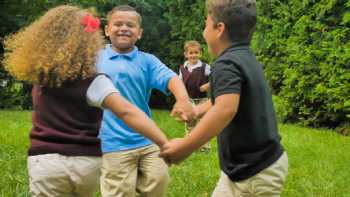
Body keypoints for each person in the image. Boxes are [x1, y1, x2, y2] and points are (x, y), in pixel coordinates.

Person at [2, 5, 169, 197]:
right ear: (90, 42)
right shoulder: (95, 81)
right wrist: (163, 142)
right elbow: (126, 111)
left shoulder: (41, 79)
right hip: (86, 163)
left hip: (45, 162)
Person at [161, 0, 289, 196]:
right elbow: (222, 100)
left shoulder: (225, 63)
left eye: (206, 24)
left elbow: (224, 110)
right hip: (240, 170)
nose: (204, 31)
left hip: (256, 171)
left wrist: (185, 148)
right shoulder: (245, 57)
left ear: (219, 29)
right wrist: (196, 111)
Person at [97, 5, 194, 197]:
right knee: (120, 191)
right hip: (111, 142)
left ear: (139, 33)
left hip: (147, 138)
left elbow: (171, 78)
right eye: (118, 24)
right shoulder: (95, 59)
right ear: (107, 30)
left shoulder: (147, 61)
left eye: (130, 25)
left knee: (159, 178)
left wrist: (183, 99)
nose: (124, 28)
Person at [179, 40, 211, 152]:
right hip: (189, 100)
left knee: (203, 123)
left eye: (196, 53)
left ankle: (205, 147)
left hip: (202, 99)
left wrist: (208, 85)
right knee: (190, 122)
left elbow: (216, 78)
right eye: (191, 53)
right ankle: (190, 145)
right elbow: (179, 83)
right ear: (186, 54)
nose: (193, 55)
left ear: (200, 54)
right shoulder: (183, 68)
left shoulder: (205, 67)